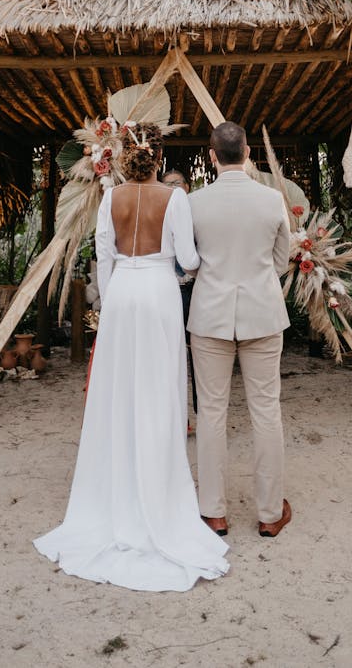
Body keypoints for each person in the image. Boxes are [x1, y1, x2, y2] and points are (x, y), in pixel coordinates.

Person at [34, 123, 229, 591]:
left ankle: (114, 487)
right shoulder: (175, 198)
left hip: (122, 293)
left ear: (123, 157)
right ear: (158, 157)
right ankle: (158, 491)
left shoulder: (110, 199)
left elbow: (104, 254)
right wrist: (188, 265)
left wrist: (111, 293)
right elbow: (189, 258)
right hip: (160, 291)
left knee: (118, 389)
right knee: (160, 390)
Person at [188, 122, 292, 539]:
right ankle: (269, 513)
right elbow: (282, 261)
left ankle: (214, 512)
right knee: (266, 411)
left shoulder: (194, 203)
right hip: (262, 315)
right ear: (248, 153)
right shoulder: (271, 200)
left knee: (211, 412)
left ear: (212, 155)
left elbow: (189, 263)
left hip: (210, 315)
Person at [162, 168, 198, 428]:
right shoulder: (158, 214)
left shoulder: (199, 212)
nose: (172, 188)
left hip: (195, 290)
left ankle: (202, 412)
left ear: (187, 187)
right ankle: (177, 419)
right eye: (167, 185)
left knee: (198, 354)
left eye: (176, 183)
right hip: (167, 290)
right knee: (168, 356)